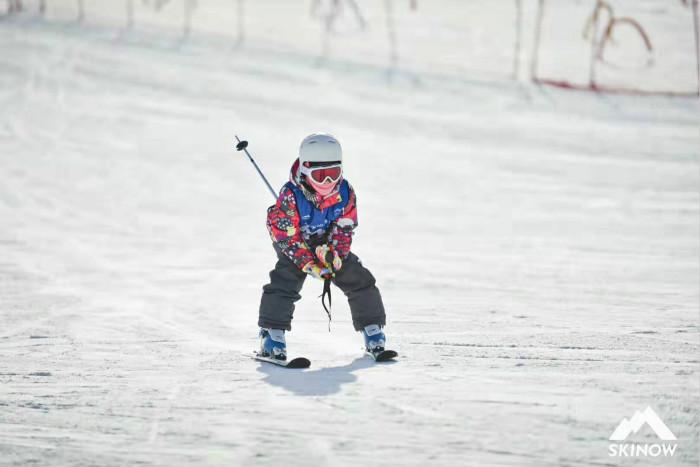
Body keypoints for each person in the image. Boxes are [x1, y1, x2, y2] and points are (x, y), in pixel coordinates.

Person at [258, 133, 387, 360]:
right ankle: (272, 334)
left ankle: (373, 330)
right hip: (294, 243)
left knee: (358, 277)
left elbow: (345, 227)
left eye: (333, 174)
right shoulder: (291, 196)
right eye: (321, 175)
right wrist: (309, 263)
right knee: (286, 279)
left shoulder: (345, 192)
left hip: (327, 244)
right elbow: (287, 238)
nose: (328, 182)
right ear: (306, 170)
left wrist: (336, 255)